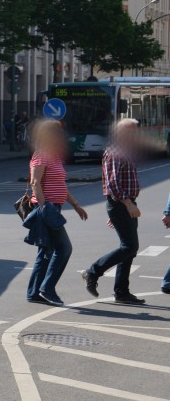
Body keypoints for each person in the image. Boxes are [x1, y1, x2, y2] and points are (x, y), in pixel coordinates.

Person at [82, 118, 144, 305]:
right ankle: (93, 272)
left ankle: (122, 292)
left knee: (130, 249)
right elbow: (113, 183)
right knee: (129, 247)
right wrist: (126, 205)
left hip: (123, 205)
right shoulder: (116, 152)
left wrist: (125, 207)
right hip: (121, 204)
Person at [26, 120, 88, 305]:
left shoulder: (54, 156)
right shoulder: (41, 155)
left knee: (45, 251)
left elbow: (61, 185)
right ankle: (47, 288)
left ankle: (34, 293)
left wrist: (76, 205)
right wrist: (45, 208)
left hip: (54, 207)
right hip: (47, 209)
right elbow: (35, 182)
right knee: (64, 248)